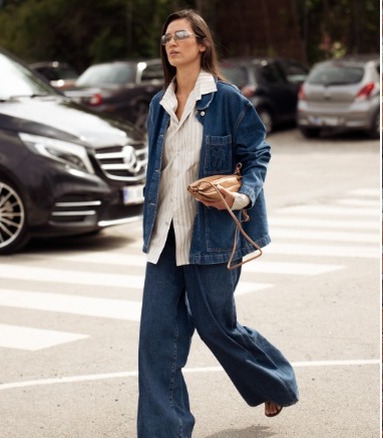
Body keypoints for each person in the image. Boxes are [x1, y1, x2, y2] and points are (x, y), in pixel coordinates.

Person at [137, 9, 298, 437]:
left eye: (180, 35)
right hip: (165, 236)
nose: (171, 44)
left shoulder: (227, 100)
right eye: (166, 38)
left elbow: (257, 154)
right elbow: (159, 170)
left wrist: (241, 196)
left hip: (212, 235)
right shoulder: (159, 104)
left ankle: (274, 382)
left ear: (202, 43)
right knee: (156, 340)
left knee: (217, 327)